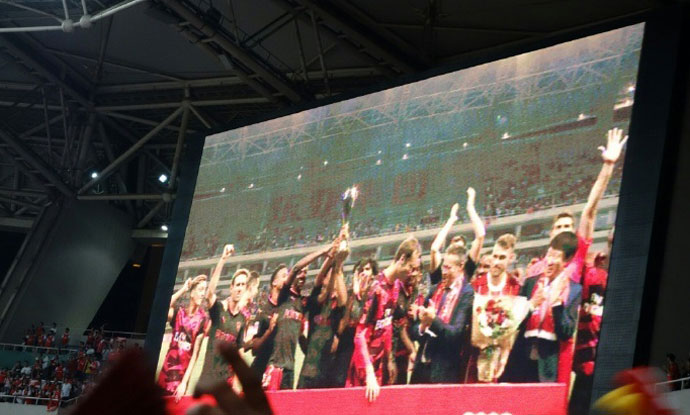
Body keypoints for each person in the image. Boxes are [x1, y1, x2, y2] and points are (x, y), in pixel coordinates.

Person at [249, 239, 337, 390]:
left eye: (306, 273)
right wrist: (323, 251)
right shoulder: (284, 296)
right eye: (301, 272)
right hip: (276, 366)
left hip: (290, 369)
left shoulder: (303, 303)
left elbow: (319, 283)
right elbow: (296, 268)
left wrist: (332, 258)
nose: (303, 275)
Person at [347, 236, 422, 402]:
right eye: (411, 267)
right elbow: (359, 336)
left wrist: (389, 360)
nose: (411, 273)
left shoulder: (395, 287)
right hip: (363, 368)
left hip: (379, 366)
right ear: (402, 259)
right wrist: (369, 373)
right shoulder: (376, 289)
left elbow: (387, 326)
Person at [510, 232, 582, 383]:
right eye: (549, 254)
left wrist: (557, 304)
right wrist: (531, 304)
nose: (549, 261)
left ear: (567, 260)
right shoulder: (531, 283)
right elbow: (514, 321)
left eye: (556, 257)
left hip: (547, 368)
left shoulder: (573, 290)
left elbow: (566, 332)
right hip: (520, 360)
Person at [410, 243, 474, 384]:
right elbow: (414, 330)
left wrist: (433, 321)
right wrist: (422, 326)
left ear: (461, 266)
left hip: (444, 370)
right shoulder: (435, 290)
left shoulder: (467, 294)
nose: (443, 272)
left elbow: (456, 334)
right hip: (421, 367)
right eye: (443, 266)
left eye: (448, 268)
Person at [298, 233, 348, 389]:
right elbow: (320, 279)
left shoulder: (337, 306)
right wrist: (332, 254)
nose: (329, 277)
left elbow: (344, 300)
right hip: (309, 369)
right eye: (328, 275)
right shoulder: (315, 301)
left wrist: (338, 266)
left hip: (327, 371)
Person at [198, 244, 249, 387]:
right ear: (231, 288)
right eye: (237, 285)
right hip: (208, 378)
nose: (240, 288)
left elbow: (239, 351)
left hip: (226, 381)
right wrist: (223, 259)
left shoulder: (242, 319)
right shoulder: (219, 309)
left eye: (243, 285)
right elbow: (209, 294)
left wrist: (237, 384)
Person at [157, 273, 211, 399]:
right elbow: (163, 307)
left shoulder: (202, 320)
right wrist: (183, 289)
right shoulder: (179, 313)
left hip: (180, 381)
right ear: (192, 293)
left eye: (204, 290)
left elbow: (195, 355)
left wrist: (184, 383)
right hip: (165, 374)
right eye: (200, 289)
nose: (203, 294)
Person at [333, 258, 378, 387]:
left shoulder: (376, 295)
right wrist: (354, 295)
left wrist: (360, 296)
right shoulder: (348, 295)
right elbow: (342, 326)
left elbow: (364, 321)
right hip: (347, 348)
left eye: (367, 269)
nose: (363, 273)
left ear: (373, 275)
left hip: (367, 348)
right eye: (360, 270)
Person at [429, 187, 485, 285]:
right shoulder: (440, 268)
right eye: (454, 244)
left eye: (459, 247)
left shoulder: (467, 269)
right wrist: (451, 220)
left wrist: (470, 207)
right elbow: (434, 249)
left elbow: (480, 236)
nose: (456, 248)